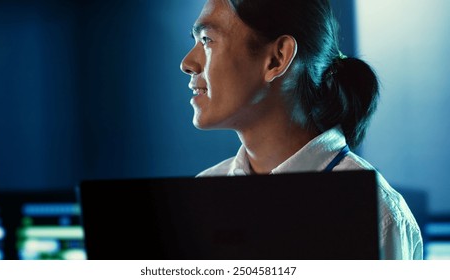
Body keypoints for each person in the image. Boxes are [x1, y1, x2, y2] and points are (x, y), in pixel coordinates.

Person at [180, 0, 423, 260]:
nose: (187, 63)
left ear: (277, 58)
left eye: (206, 40)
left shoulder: (376, 213)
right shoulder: (204, 194)